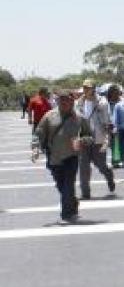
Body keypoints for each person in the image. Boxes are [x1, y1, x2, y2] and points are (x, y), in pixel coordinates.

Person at [34, 90, 93, 223]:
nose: (65, 102)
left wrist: (83, 141)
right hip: (54, 157)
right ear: (58, 101)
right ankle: (72, 202)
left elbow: (89, 136)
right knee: (61, 185)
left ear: (72, 101)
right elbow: (39, 133)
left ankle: (66, 214)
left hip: (71, 157)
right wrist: (35, 149)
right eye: (62, 100)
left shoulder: (79, 117)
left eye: (67, 100)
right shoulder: (49, 116)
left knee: (68, 185)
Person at [74, 79, 116, 199]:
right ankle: (85, 192)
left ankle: (109, 176)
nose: (86, 89)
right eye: (84, 87)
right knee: (83, 167)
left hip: (98, 139)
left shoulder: (102, 102)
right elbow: (75, 121)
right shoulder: (79, 102)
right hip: (83, 139)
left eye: (89, 87)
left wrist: (108, 138)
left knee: (101, 165)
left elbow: (107, 121)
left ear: (94, 88)